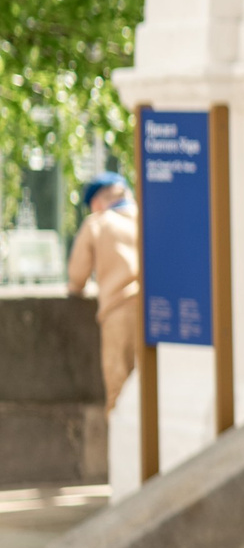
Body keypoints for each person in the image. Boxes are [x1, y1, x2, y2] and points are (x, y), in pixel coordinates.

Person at [66, 174, 141, 409]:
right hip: (155, 311)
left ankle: (123, 447)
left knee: (118, 395)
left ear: (97, 202)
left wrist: (75, 288)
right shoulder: (149, 218)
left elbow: (77, 276)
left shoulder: (98, 223)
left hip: (119, 312)